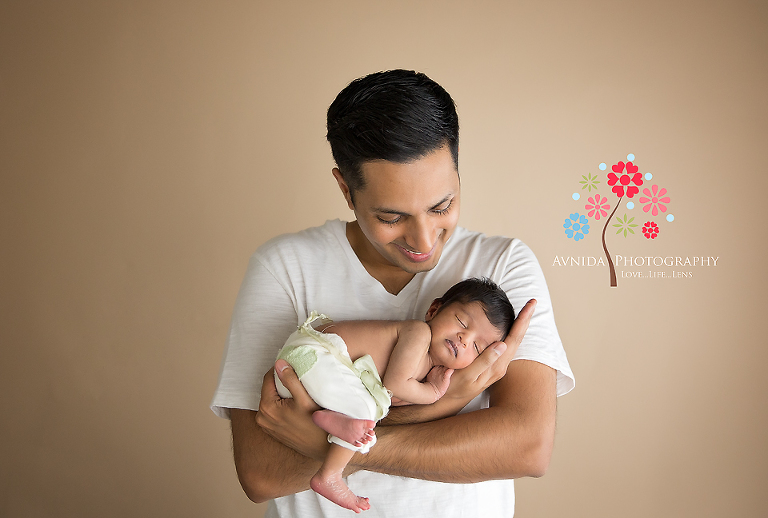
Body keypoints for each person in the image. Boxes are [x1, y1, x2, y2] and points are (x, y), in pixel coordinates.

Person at [211, 69, 575, 518]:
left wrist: (326, 443)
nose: (423, 241)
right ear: (346, 189)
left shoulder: (504, 266)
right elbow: (262, 473)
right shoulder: (284, 268)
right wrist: (448, 402)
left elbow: (527, 447)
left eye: (442, 206)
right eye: (391, 217)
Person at [275, 278, 516, 513]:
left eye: (477, 347)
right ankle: (329, 475)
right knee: (367, 411)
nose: (465, 339)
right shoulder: (418, 333)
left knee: (365, 424)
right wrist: (432, 393)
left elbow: (393, 393)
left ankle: (330, 418)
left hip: (315, 379)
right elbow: (396, 385)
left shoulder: (424, 367)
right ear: (434, 310)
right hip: (311, 357)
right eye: (462, 322)